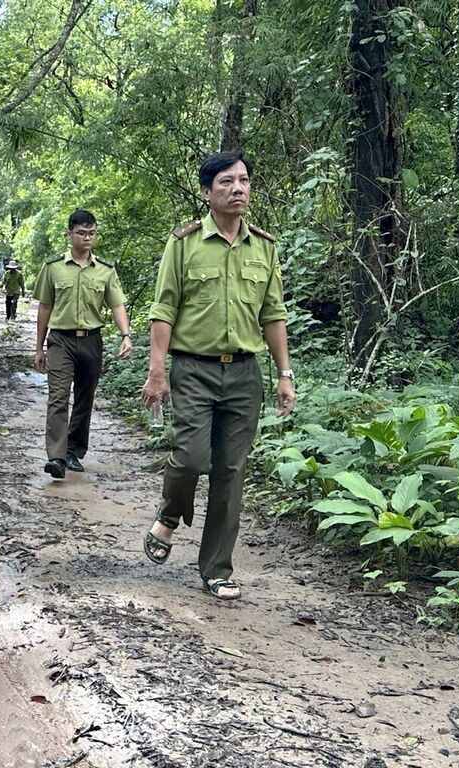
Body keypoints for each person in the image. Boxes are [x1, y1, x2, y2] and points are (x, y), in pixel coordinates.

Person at [138, 151, 295, 602]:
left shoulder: (264, 247)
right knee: (189, 458)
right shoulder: (184, 244)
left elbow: (274, 315)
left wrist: (284, 374)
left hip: (245, 375)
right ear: (208, 192)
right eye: (226, 182)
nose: (238, 189)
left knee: (231, 472)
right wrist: (156, 371)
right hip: (193, 369)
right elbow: (164, 309)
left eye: (244, 180)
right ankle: (170, 515)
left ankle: (216, 569)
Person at [33, 209, 132, 479]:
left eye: (91, 233)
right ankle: (56, 456)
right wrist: (39, 347)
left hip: (91, 340)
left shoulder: (105, 270)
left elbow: (116, 304)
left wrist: (126, 334)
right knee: (58, 397)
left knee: (85, 399)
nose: (87, 237)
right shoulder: (53, 267)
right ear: (69, 234)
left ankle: (74, 451)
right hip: (60, 340)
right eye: (81, 233)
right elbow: (45, 307)